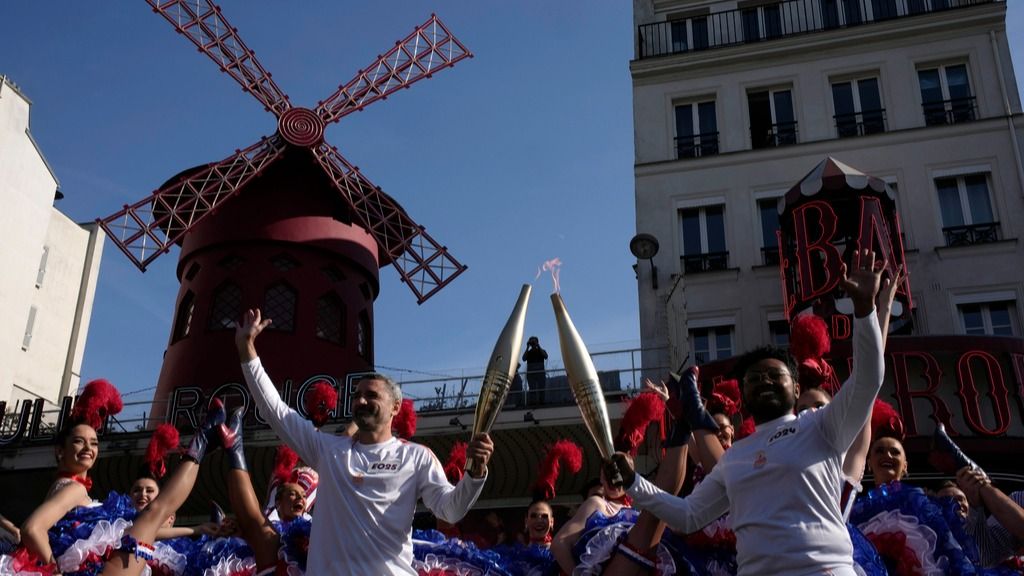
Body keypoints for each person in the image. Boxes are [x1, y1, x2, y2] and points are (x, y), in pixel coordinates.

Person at [607, 248, 886, 575]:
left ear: (796, 389)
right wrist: (633, 481)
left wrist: (865, 310)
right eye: (755, 378)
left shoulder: (822, 426)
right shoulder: (734, 458)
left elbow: (868, 379)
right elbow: (687, 515)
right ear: (744, 393)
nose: (765, 381)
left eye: (775, 375)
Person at [235, 308, 495, 575]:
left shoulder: (416, 457)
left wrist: (474, 474)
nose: (360, 400)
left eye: (371, 395)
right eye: (357, 395)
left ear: (395, 407)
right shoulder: (328, 451)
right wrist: (247, 350)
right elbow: (275, 410)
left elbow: (450, 511)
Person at [523, 336, 548, 406]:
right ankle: (533, 402)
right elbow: (523, 358)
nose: (533, 344)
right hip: (531, 373)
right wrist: (527, 347)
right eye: (531, 342)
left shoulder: (541, 351)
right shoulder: (529, 352)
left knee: (541, 388)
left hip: (540, 372)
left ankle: (542, 402)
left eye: (534, 342)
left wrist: (538, 346)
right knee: (532, 388)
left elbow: (545, 356)